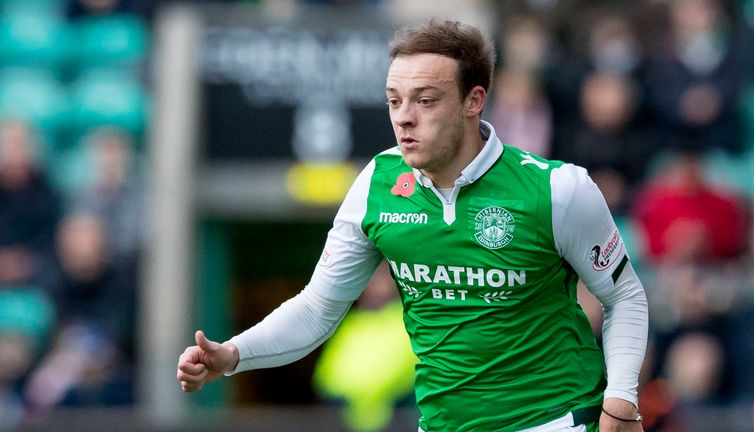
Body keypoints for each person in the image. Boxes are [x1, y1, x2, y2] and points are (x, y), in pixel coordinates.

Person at [177, 20, 649, 432]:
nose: (404, 117)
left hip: (553, 421)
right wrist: (233, 355)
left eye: (425, 100)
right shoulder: (377, 185)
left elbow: (623, 295)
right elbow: (318, 309)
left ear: (474, 101)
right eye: (394, 100)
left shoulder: (557, 189)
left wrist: (621, 398)